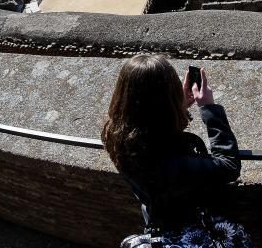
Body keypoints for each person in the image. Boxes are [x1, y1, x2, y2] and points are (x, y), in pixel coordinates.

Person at [102, 54, 240, 230]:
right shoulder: (174, 164)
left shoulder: (113, 134)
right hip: (188, 227)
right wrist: (209, 109)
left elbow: (148, 129)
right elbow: (229, 166)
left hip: (154, 216)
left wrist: (178, 107)